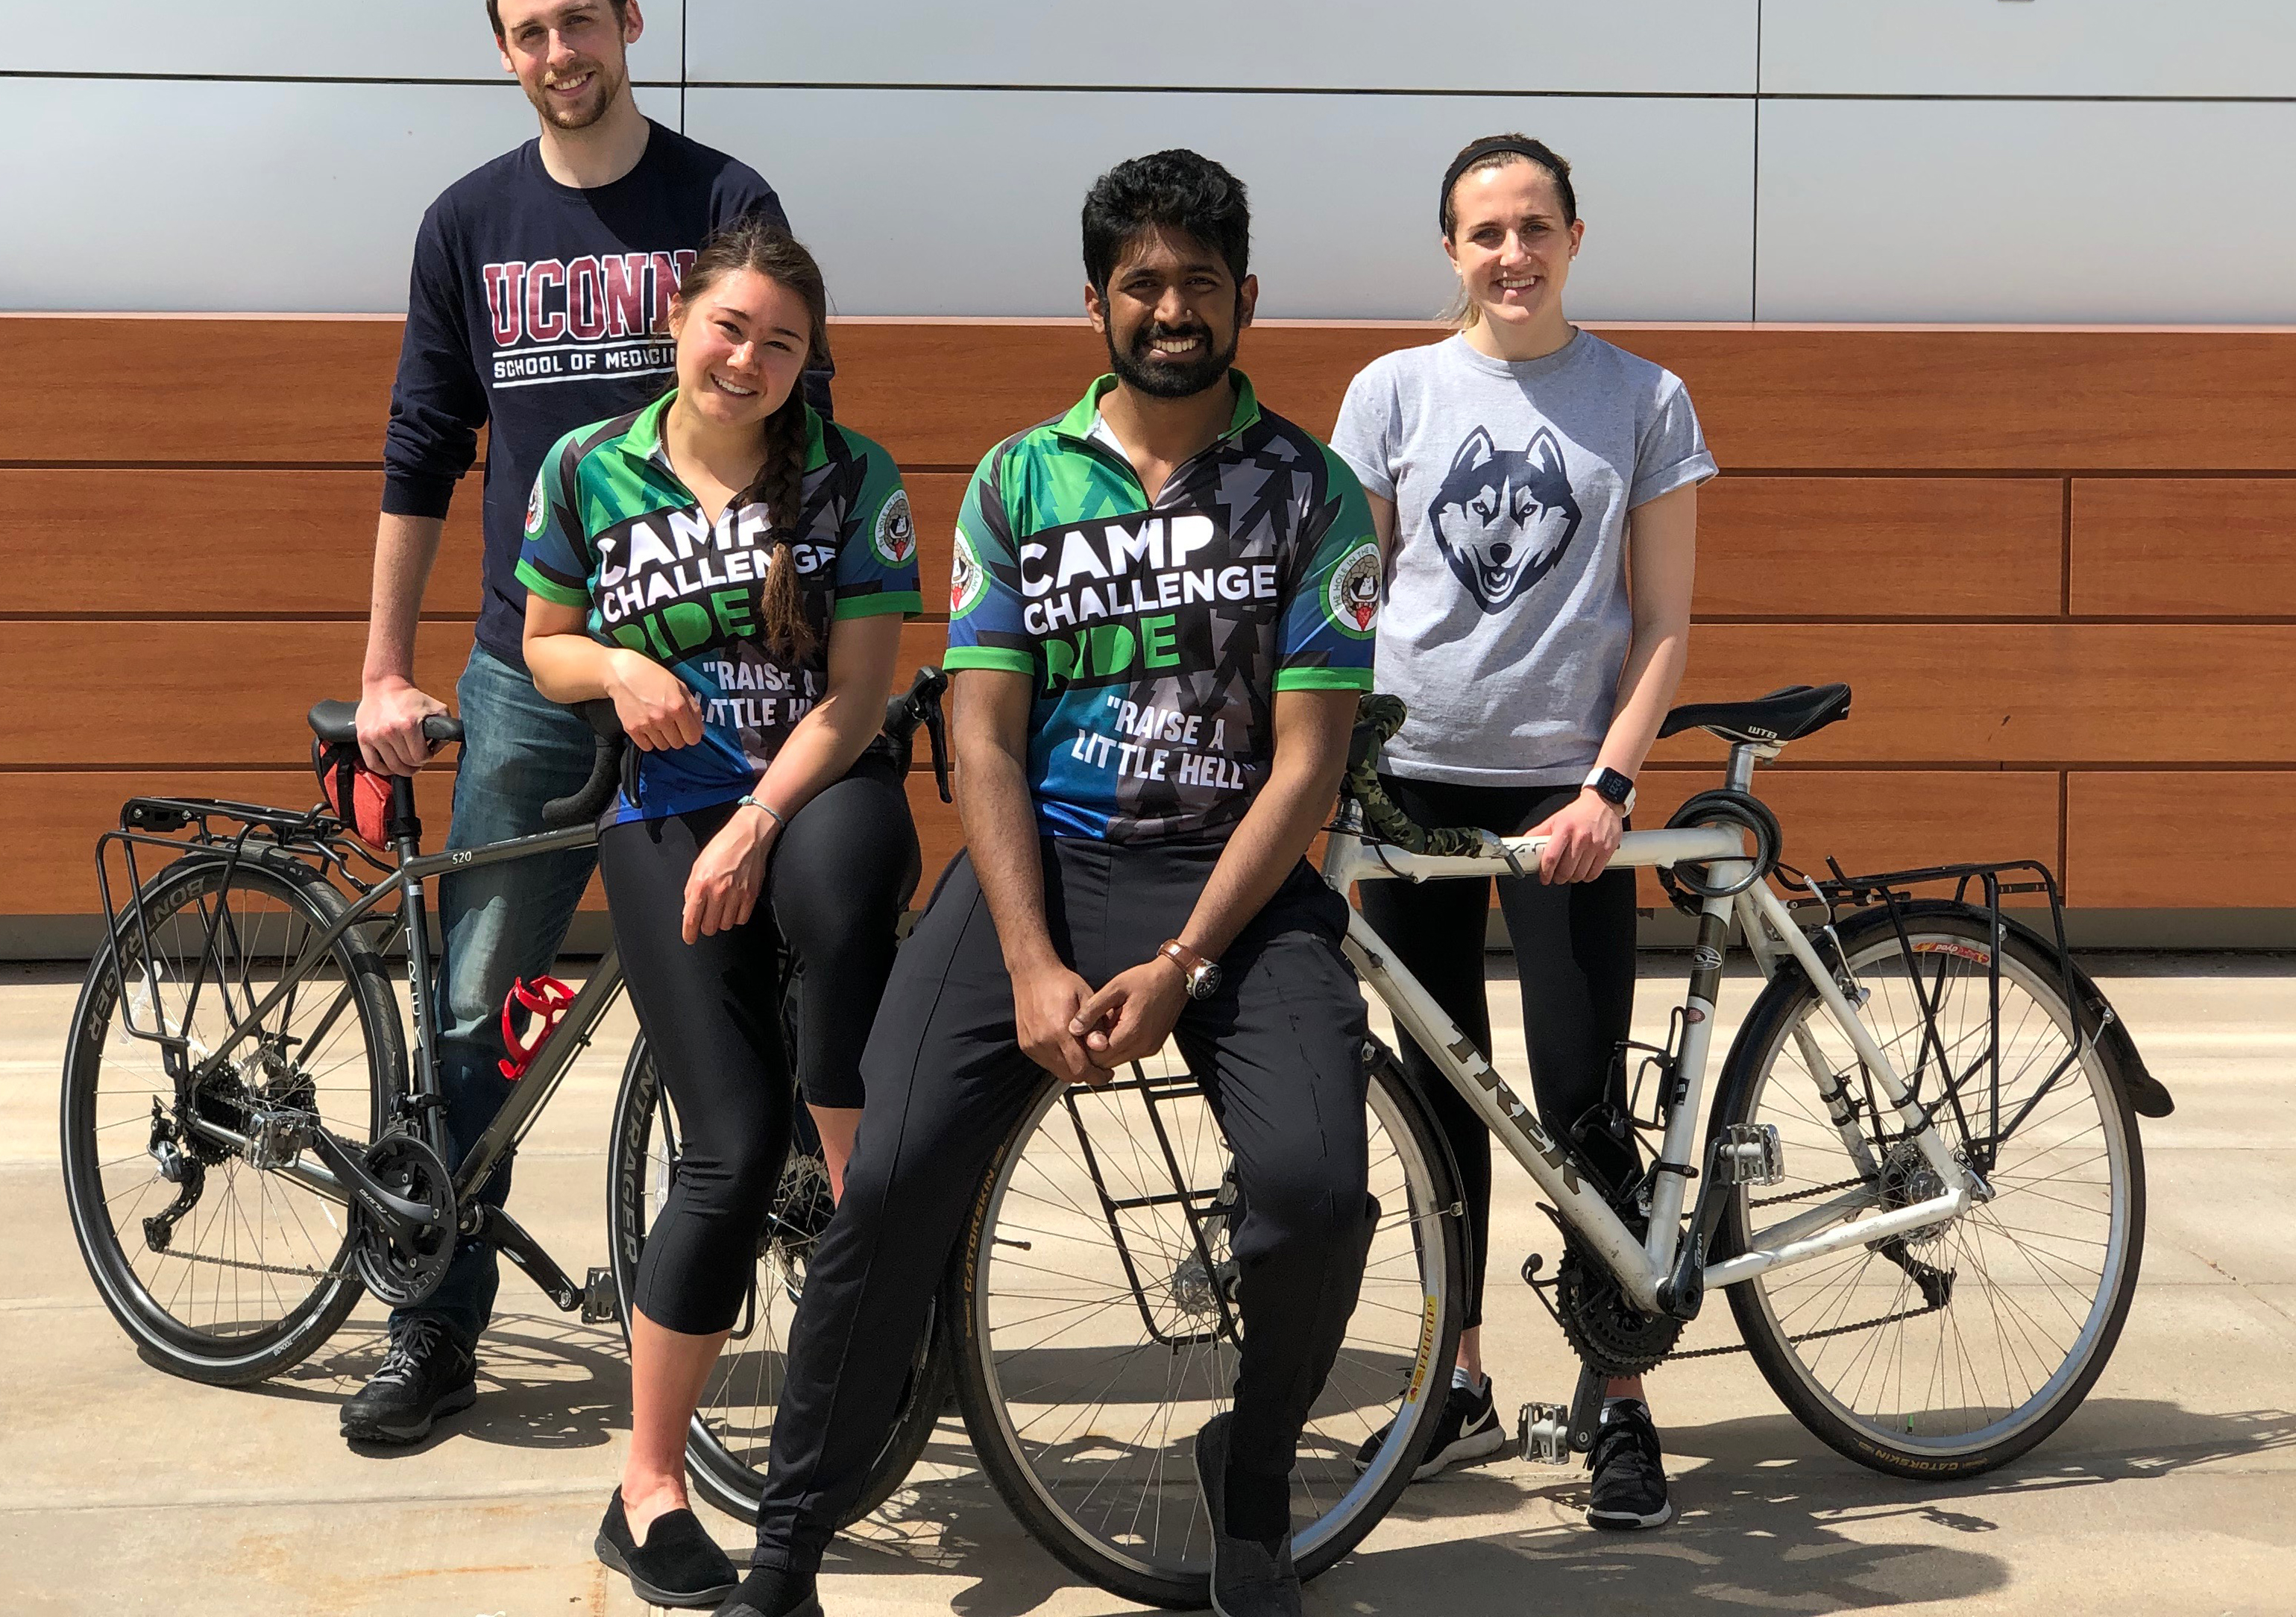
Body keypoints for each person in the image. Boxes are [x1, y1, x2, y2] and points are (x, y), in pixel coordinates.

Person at [716, 151, 1383, 1617]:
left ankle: (1253, 1489)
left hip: (1236, 892)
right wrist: (1027, 957)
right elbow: (985, 737)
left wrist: (1189, 961)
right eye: (1141, 280)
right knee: (882, 1182)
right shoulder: (1019, 480)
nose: (1169, 307)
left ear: (1244, 299)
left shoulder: (1315, 493)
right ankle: (787, 1538)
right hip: (1044, 872)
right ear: (1093, 298)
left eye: (1198, 281)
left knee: (1316, 1193)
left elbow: (1306, 764)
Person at [343, 0, 823, 1445]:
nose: (560, 52)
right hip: (532, 675)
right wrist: (380, 665)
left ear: (627, 18)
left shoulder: (719, 201)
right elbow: (422, 448)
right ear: (505, 50)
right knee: (481, 1003)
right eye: (529, 31)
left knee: (774, 983)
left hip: (715, 681)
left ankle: (808, 1309)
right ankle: (431, 1320)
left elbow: (804, 407)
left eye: (579, 21)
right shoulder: (465, 223)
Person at [516, 222, 923, 1607]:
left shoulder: (854, 478)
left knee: (843, 880)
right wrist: (621, 668)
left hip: (811, 787)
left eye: (783, 342)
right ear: (679, 321)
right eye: (730, 327)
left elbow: (861, 696)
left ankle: (854, 1144)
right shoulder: (589, 466)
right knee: (725, 1156)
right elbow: (541, 641)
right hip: (662, 813)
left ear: (811, 362)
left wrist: (760, 814)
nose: (749, 358)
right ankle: (648, 1488)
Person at [1327, 132, 1714, 1530]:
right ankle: (1457, 1385)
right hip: (1414, 782)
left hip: (1569, 794)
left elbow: (1664, 624)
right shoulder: (1391, 394)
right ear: (1450, 249)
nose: (1512, 253)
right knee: (1441, 1107)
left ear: (1574, 235)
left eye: (1535, 225)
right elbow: (1351, 603)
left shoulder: (1645, 399)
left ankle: (1620, 1401)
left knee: (1578, 1100)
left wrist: (1609, 789)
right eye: (1485, 232)